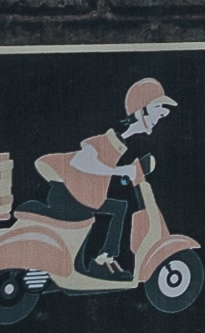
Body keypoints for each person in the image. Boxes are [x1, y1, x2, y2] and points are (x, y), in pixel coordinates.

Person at [42, 77, 172, 282]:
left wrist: (132, 171)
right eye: (157, 108)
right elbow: (81, 163)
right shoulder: (106, 140)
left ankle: (104, 257)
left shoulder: (123, 144)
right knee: (107, 213)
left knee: (119, 208)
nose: (162, 115)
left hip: (83, 196)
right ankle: (90, 264)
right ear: (140, 111)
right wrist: (120, 171)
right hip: (69, 196)